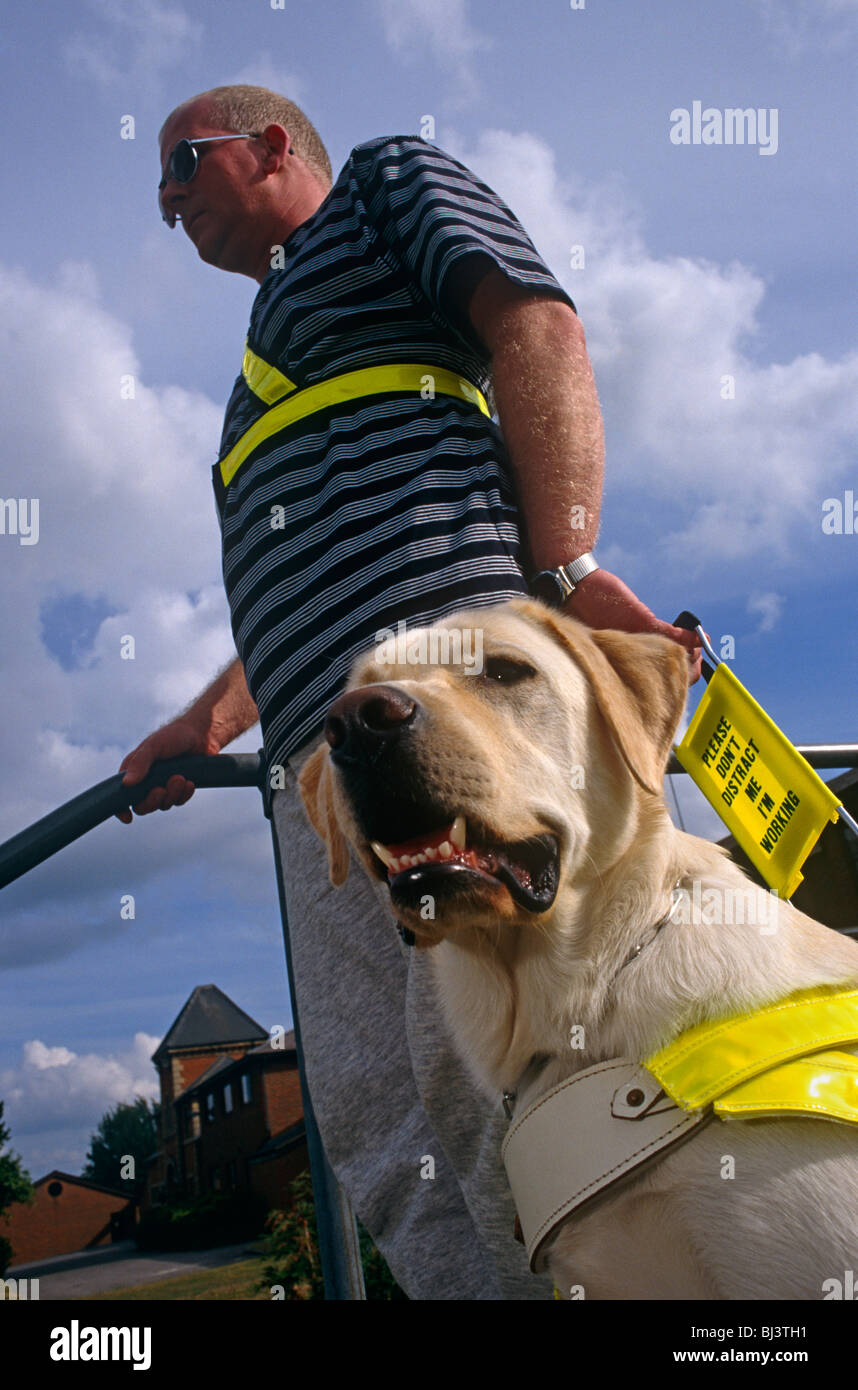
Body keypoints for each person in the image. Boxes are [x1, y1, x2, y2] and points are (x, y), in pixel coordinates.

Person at [120, 86, 700, 1299]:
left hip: (451, 698)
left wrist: (571, 564)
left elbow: (538, 330)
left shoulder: (386, 187)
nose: (163, 199)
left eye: (182, 163)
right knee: (381, 1117)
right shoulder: (255, 376)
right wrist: (208, 722)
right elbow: (314, 572)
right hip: (319, 780)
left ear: (271, 145)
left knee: (518, 1064)